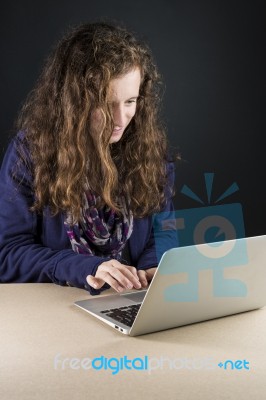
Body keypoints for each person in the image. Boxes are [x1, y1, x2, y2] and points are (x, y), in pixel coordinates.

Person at [0, 22, 175, 295]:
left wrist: (155, 266)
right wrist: (84, 267)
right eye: (106, 104)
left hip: (128, 302)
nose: (120, 120)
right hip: (54, 307)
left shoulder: (149, 150)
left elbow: (163, 231)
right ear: (73, 101)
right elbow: (8, 254)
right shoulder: (30, 152)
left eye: (130, 101)